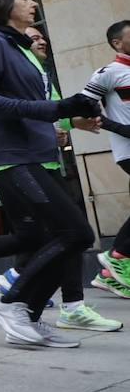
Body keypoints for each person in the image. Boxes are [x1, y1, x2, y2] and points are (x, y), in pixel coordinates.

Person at [0, 0, 102, 346]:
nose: (32, 3)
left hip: (37, 157)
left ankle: (25, 317)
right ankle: (12, 303)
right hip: (15, 161)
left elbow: (39, 107)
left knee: (59, 237)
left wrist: (70, 114)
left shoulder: (23, 51)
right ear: (3, 8)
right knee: (74, 233)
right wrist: (55, 109)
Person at [83, 20, 130, 299]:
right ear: (117, 43)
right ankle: (117, 255)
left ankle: (108, 275)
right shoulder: (109, 73)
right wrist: (115, 127)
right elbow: (85, 102)